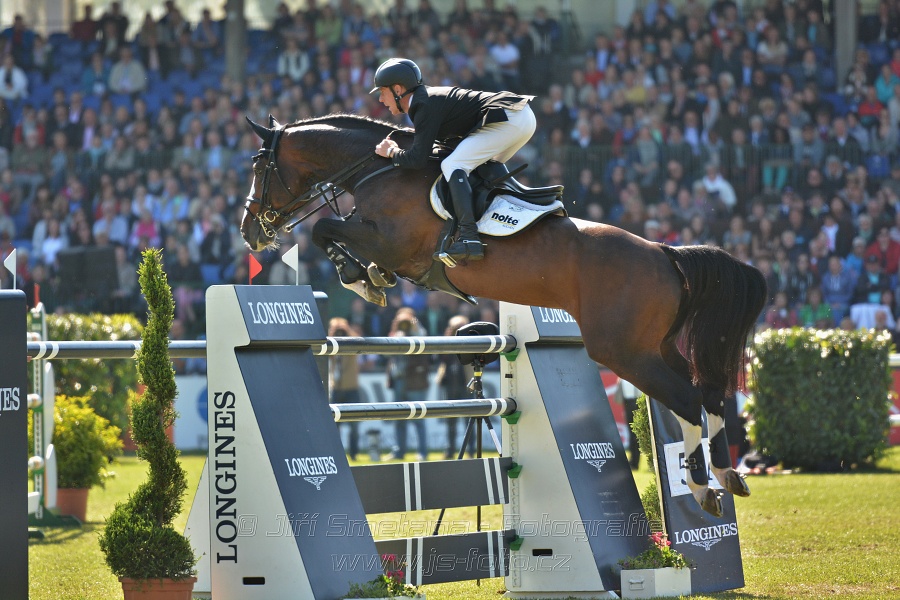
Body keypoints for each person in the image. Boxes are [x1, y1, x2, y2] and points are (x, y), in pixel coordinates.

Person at [370, 57, 536, 263]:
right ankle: (505, 218)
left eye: (382, 92)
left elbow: (417, 160)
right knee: (480, 168)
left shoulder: (422, 104)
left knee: (453, 165)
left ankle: (469, 237)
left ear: (397, 89)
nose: (380, 100)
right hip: (520, 117)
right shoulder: (425, 101)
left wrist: (392, 152)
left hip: (508, 118)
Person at [386, 308, 430, 460]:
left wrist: (414, 326)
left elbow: (423, 339)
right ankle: (399, 451)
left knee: (418, 418)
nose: (404, 324)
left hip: (415, 381)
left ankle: (422, 452)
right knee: (399, 418)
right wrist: (395, 327)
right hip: (398, 380)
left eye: (406, 320)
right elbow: (388, 350)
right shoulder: (397, 333)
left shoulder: (418, 331)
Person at [434, 315, 474, 458]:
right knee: (451, 420)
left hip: (466, 384)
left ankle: (470, 450)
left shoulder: (471, 341)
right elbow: (440, 358)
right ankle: (450, 450)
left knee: (469, 420)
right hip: (450, 383)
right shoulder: (447, 342)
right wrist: (447, 338)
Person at [328, 317, 362, 461]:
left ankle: (354, 453)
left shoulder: (352, 341)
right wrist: (332, 334)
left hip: (351, 388)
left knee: (354, 426)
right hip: (336, 387)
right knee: (335, 426)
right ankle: (337, 453)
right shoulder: (331, 344)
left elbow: (358, 340)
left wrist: (345, 330)